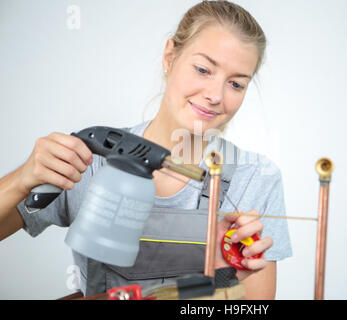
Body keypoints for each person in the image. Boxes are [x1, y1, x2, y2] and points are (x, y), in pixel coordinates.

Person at [0, 0, 292, 299]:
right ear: (170, 56)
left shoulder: (254, 178)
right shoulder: (92, 159)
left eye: (236, 84)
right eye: (203, 69)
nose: (216, 95)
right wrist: (22, 179)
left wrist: (233, 273)